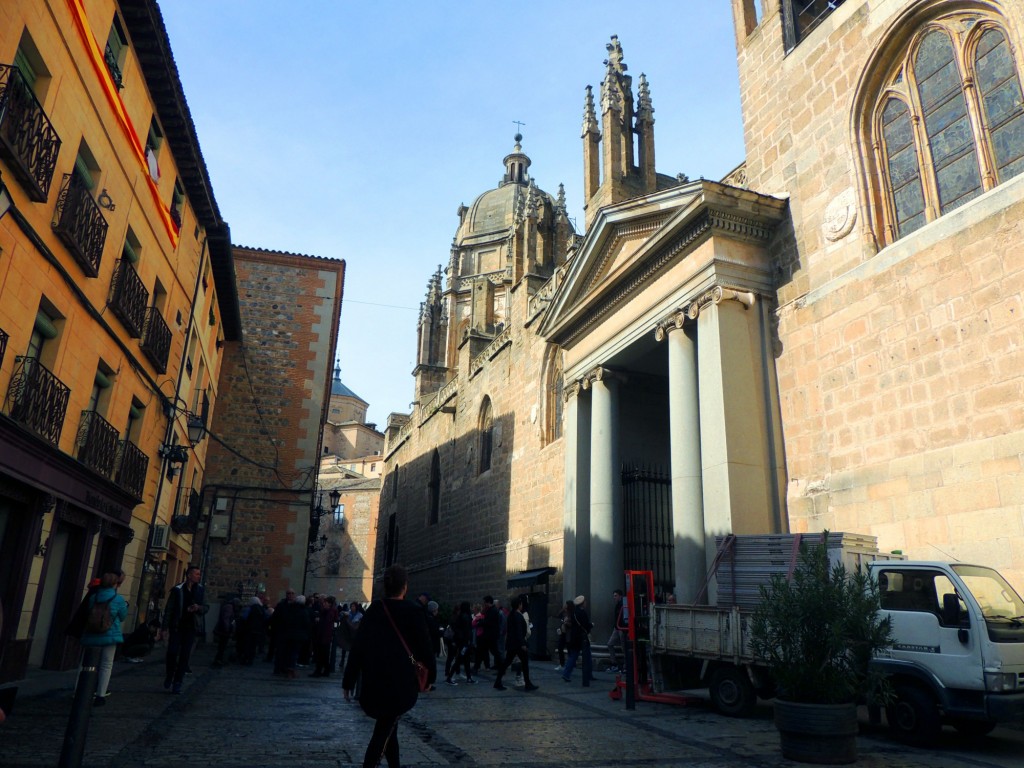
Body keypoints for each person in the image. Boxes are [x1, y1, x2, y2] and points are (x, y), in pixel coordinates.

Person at [343, 564, 432, 768]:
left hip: (374, 680)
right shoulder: (413, 611)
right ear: (405, 587)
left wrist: (349, 680)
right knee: (384, 729)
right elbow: (425, 648)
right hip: (401, 683)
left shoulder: (374, 610)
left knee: (389, 724)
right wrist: (430, 678)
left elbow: (358, 647)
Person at [79, 572, 128, 706]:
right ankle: (100, 694)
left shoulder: (93, 597)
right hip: (109, 635)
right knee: (106, 665)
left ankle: (79, 691)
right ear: (115, 584)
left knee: (85, 664)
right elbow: (123, 616)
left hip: (91, 634)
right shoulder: (118, 599)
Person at [162, 565, 207, 694]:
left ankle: (178, 682)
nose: (199, 576)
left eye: (199, 574)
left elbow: (206, 607)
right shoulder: (178, 589)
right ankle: (170, 674)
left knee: (184, 655)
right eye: (196, 574)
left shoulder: (200, 590)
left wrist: (198, 608)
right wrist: (165, 627)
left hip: (191, 627)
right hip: (177, 626)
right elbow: (169, 609)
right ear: (189, 575)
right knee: (172, 652)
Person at [493, 594, 537, 691]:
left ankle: (498, 681)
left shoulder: (511, 615)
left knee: (507, 662)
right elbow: (519, 631)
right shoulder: (517, 616)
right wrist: (522, 644)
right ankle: (527, 683)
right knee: (523, 663)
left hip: (512, 643)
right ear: (519, 605)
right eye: (521, 604)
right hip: (517, 644)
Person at [561, 594, 595, 686]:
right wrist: (591, 625)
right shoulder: (582, 613)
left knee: (573, 656)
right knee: (587, 657)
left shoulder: (574, 612)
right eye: (585, 602)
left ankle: (566, 673)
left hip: (574, 637)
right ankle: (588, 675)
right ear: (582, 603)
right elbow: (585, 625)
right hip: (582, 637)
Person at [446, 601, 477, 685]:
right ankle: (449, 678)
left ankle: (469, 678)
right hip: (464, 642)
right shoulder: (465, 617)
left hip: (463, 642)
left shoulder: (462, 616)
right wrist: (468, 641)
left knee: (466, 660)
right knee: (460, 660)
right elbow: (467, 631)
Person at [607, 589, 625, 672]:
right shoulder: (618, 605)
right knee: (610, 644)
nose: (614, 597)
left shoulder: (623, 604)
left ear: (620, 596)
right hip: (617, 627)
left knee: (624, 647)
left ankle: (626, 665)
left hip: (622, 628)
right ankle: (614, 663)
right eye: (614, 596)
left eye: (615, 595)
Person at [554, 599, 573, 670]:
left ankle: (571, 664)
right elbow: (558, 615)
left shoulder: (572, 614)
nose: (565, 606)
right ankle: (562, 664)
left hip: (568, 634)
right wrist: (563, 609)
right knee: (560, 647)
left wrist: (567, 623)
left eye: (566, 605)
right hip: (563, 633)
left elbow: (572, 624)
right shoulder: (565, 613)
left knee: (569, 649)